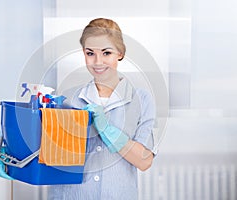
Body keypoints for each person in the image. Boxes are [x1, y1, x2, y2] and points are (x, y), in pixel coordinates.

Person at [47, 18, 157, 200]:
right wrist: (10, 156)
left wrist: (108, 130)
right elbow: (45, 149)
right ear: (84, 53)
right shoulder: (68, 98)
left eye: (106, 53)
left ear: (120, 53)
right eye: (90, 53)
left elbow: (144, 161)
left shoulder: (141, 100)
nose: (98, 62)